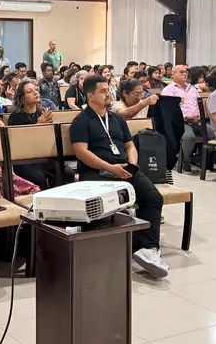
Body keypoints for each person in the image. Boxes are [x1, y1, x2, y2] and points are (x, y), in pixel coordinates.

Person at [70, 76, 168, 279]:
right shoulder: (81, 121)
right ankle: (130, 246)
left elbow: (129, 146)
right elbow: (81, 152)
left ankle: (149, 249)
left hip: (124, 169)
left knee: (153, 198)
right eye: (103, 91)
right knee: (113, 205)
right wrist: (110, 168)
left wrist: (132, 164)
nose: (108, 94)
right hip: (97, 172)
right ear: (90, 95)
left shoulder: (117, 119)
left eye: (108, 90)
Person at [162, 65, 210, 172]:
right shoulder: (168, 90)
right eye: (181, 72)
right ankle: (185, 160)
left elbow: (199, 104)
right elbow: (168, 111)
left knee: (215, 134)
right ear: (173, 74)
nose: (185, 74)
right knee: (189, 137)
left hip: (197, 121)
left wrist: (199, 116)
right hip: (180, 122)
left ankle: (199, 159)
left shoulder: (192, 88)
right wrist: (185, 117)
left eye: (186, 72)